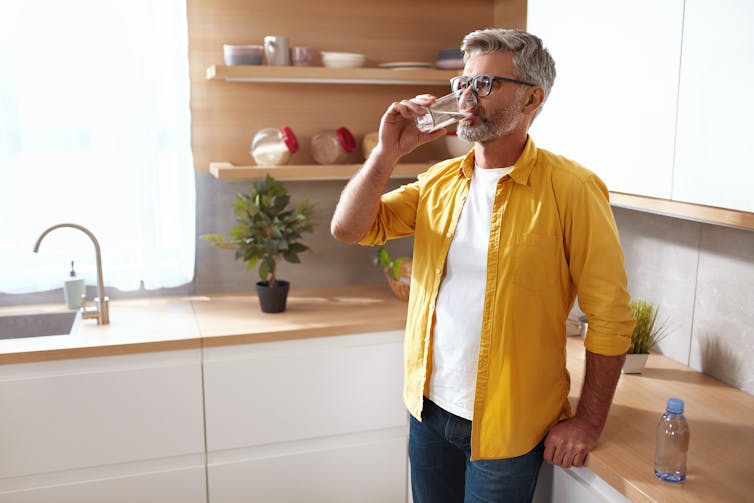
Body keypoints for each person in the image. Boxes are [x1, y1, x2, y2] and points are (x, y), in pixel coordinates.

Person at [330, 28, 635, 503]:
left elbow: (611, 318)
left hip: (510, 427)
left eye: (485, 84)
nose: (467, 97)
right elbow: (348, 229)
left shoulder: (573, 189)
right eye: (462, 84)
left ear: (532, 98)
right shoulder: (439, 181)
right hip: (428, 412)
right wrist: (386, 153)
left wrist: (589, 421)